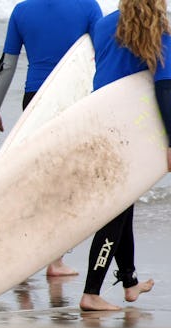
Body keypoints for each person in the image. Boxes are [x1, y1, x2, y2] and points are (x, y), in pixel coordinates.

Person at [0, 0, 102, 277]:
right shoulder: (88, 7)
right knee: (64, 180)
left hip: (35, 99)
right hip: (74, 97)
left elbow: (7, 64)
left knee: (35, 174)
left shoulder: (22, 11)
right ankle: (55, 260)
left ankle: (20, 253)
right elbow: (102, 54)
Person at [78, 0, 170, 311]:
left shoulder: (104, 25)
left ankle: (129, 282)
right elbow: (164, 88)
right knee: (116, 210)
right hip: (129, 130)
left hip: (98, 120)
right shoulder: (159, 31)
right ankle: (91, 293)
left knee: (123, 204)